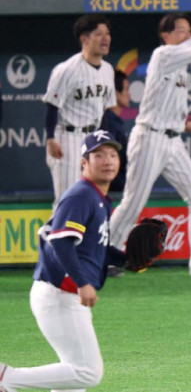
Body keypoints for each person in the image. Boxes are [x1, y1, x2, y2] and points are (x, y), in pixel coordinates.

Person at [0, 130, 127, 392]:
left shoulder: (98, 198)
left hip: (62, 295)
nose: (108, 161)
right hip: (60, 294)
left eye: (113, 155)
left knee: (72, 376)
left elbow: (95, 248)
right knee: (87, 373)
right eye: (99, 155)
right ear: (84, 163)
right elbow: (61, 241)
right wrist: (83, 283)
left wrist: (128, 260)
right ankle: (6, 378)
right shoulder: (82, 195)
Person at [108, 5, 191, 277]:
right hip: (150, 138)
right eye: (182, 31)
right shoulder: (163, 55)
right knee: (133, 202)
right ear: (165, 35)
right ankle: (106, 256)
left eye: (190, 31)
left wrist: (184, 125)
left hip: (172, 140)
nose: (188, 35)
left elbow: (163, 104)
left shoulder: (181, 65)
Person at [43, 14, 116, 206]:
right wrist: (50, 139)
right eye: (99, 34)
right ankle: (54, 236)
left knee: (92, 199)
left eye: (107, 34)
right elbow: (52, 105)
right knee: (66, 200)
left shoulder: (108, 70)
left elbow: (105, 111)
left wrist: (105, 142)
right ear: (84, 39)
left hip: (93, 137)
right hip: (68, 137)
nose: (106, 38)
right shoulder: (67, 69)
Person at [100, 70, 131, 193]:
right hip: (113, 191)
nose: (129, 95)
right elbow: (107, 164)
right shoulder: (107, 123)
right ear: (116, 94)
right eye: (126, 90)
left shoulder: (114, 121)